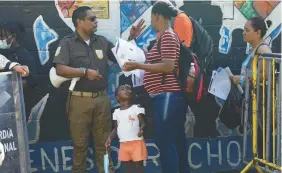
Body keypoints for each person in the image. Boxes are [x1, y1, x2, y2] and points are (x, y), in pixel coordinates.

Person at [123, 1, 189, 173]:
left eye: (151, 18)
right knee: (174, 142)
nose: (151, 22)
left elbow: (168, 66)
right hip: (165, 96)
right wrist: (133, 39)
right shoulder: (163, 37)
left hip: (167, 96)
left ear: (157, 16)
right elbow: (151, 60)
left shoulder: (167, 36)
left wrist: (139, 66)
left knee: (165, 142)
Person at [52, 6, 116, 173]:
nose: (96, 22)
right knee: (80, 146)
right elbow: (60, 69)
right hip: (79, 101)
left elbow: (119, 56)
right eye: (92, 19)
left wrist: (131, 38)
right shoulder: (67, 42)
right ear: (79, 22)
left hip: (102, 100)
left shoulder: (101, 41)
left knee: (104, 145)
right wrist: (84, 72)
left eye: (95, 19)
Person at [230, 17, 273, 160]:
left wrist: (241, 79)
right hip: (253, 101)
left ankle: (265, 166)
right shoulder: (254, 49)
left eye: (247, 30)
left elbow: (266, 74)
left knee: (263, 140)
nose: (243, 33)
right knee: (258, 139)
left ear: (258, 32)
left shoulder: (263, 49)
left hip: (261, 103)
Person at [105, 84, 147, 173]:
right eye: (123, 89)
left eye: (129, 89)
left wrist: (141, 129)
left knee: (139, 166)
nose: (127, 90)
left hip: (136, 142)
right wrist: (109, 138)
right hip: (123, 144)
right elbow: (116, 129)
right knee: (127, 167)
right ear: (117, 97)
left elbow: (143, 123)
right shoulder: (116, 112)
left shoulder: (136, 108)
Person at [0, 21, 37, 87]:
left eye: (2, 37)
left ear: (13, 36)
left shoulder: (24, 54)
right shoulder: (3, 53)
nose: (1, 39)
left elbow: (32, 80)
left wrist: (8, 85)